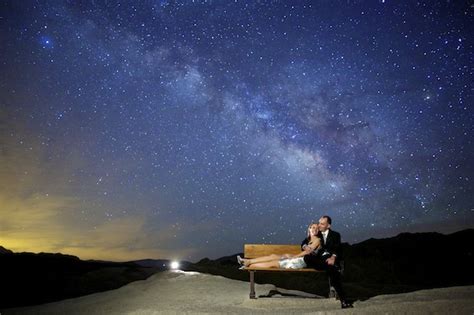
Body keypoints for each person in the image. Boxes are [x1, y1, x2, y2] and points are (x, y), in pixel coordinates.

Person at [303, 215, 353, 309]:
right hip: (320, 261)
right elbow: (304, 241)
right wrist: (305, 246)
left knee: (332, 269)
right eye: (319, 223)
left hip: (329, 259)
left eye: (322, 224)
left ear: (328, 225)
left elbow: (337, 248)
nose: (319, 225)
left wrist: (333, 257)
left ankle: (344, 301)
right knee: (307, 258)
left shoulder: (335, 235)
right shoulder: (317, 233)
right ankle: (332, 268)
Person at [237, 223, 321, 269]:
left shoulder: (318, 240)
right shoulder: (307, 240)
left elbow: (308, 252)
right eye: (313, 227)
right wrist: (291, 256)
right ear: (309, 229)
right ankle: (248, 262)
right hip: (300, 258)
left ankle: (248, 266)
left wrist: (294, 257)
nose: (315, 229)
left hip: (304, 261)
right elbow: (304, 249)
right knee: (273, 256)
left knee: (272, 264)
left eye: (317, 228)